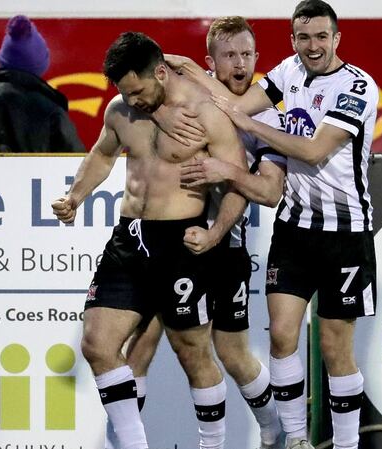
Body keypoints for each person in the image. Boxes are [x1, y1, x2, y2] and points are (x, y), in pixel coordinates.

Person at [167, 2, 378, 448]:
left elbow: (315, 151)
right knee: (281, 337)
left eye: (322, 37)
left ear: (337, 38)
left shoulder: (357, 86)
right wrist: (187, 68)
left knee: (335, 349)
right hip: (293, 229)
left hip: (345, 231)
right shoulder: (288, 71)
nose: (313, 46)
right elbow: (236, 104)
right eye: (304, 38)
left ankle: (346, 445)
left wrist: (249, 127)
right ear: (292, 41)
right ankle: (296, 440)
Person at [51, 31, 248, 449]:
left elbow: (237, 183)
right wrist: (75, 196)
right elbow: (104, 154)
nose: (133, 100)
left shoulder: (205, 114)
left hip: (182, 243)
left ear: (160, 72)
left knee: (193, 355)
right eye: (125, 93)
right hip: (130, 238)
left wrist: (214, 234)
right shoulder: (121, 110)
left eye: (138, 91)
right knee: (97, 344)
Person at [104, 17, 286, 449]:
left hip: (226, 245)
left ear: (258, 59)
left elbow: (268, 191)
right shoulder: (188, 102)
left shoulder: (267, 121)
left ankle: (275, 430)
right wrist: (164, 105)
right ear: (210, 64)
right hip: (177, 245)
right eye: (229, 56)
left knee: (233, 356)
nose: (239, 64)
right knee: (140, 347)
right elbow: (144, 64)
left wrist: (224, 175)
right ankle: (126, 442)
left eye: (246, 54)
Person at [0, 15, 84, 155]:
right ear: (40, 66)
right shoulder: (51, 111)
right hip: (30, 177)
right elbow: (77, 166)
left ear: (3, 61)